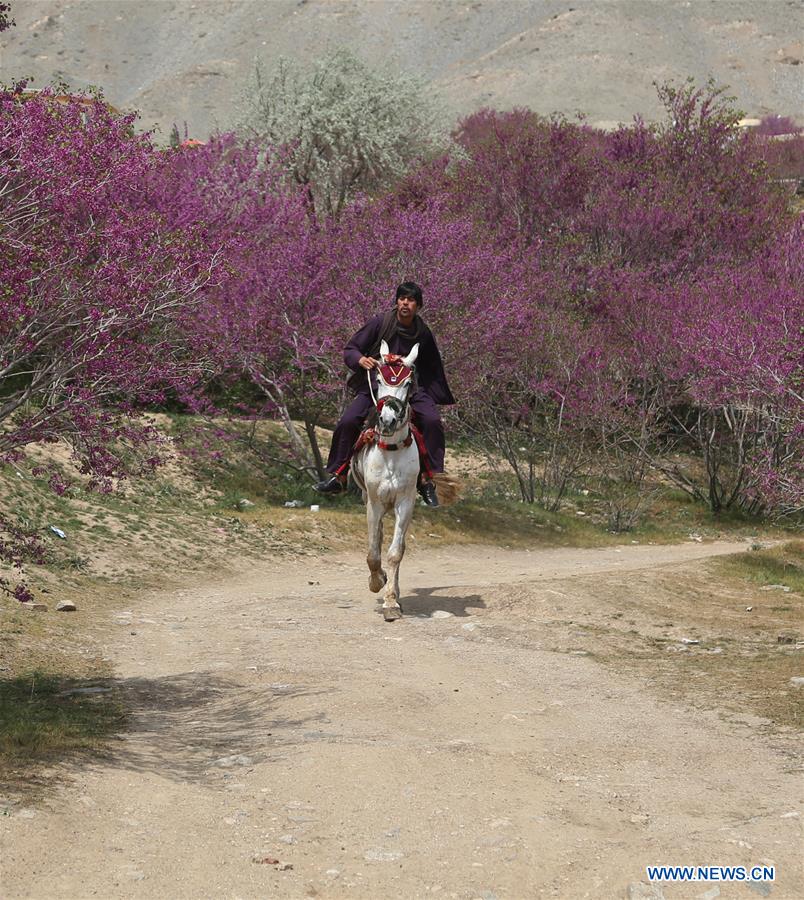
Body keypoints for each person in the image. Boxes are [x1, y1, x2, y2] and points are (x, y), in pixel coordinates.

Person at [314, 281, 455, 507]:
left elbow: (431, 366)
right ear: (397, 301)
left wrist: (428, 391)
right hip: (377, 386)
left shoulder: (423, 333)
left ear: (418, 305)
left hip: (409, 389)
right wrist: (360, 360)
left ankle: (430, 479)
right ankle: (338, 475)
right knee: (349, 420)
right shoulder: (381, 323)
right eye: (402, 299)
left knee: (432, 420)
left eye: (410, 300)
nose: (405, 303)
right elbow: (351, 349)